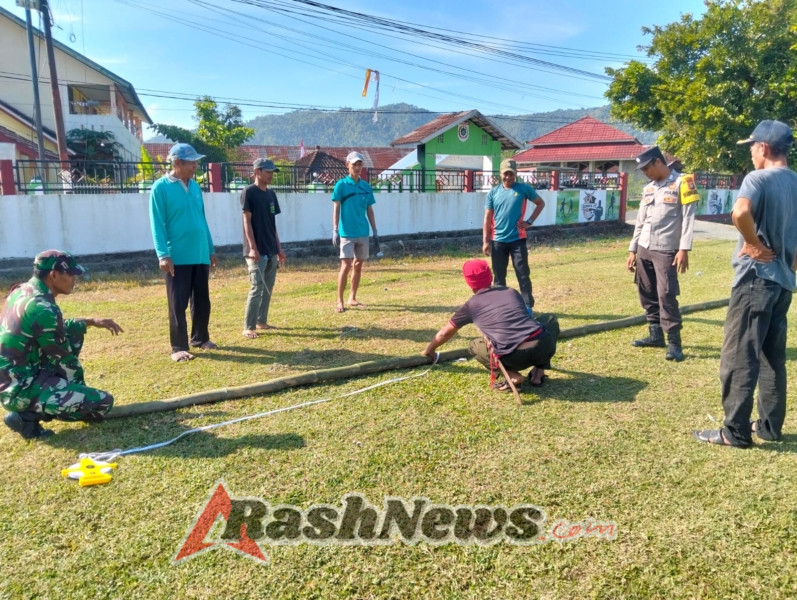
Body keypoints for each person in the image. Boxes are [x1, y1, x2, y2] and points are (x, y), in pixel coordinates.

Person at [695, 119, 797, 448]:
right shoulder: (795, 181)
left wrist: (752, 243)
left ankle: (735, 432)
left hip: (755, 280)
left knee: (739, 355)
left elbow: (740, 212)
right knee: (772, 358)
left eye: (752, 146)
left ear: (764, 148)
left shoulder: (758, 178)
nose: (751, 153)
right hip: (783, 283)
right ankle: (768, 426)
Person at [0, 251, 123, 440]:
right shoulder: (43, 307)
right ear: (54, 275)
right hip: (20, 389)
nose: (74, 279)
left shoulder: (21, 291)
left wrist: (91, 321)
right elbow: (66, 361)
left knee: (75, 331)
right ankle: (27, 416)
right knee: (102, 402)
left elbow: (54, 328)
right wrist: (80, 395)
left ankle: (40, 401)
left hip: (15, 377)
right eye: (71, 274)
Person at [422, 259, 559, 391]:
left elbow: (444, 333)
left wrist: (430, 350)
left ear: (469, 283)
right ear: (491, 277)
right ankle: (538, 374)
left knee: (474, 345)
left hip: (513, 357)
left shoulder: (471, 305)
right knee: (550, 319)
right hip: (543, 346)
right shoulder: (510, 292)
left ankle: (512, 376)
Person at [627, 145, 698, 361]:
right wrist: (632, 249)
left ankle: (674, 344)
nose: (645, 173)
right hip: (644, 246)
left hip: (667, 247)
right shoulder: (648, 188)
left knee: (666, 294)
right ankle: (655, 335)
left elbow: (688, 218)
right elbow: (640, 221)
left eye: (646, 168)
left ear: (658, 161)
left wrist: (684, 248)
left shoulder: (683, 183)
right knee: (646, 291)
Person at [149, 143, 218, 363]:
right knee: (178, 303)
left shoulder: (195, 187)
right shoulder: (161, 188)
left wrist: (210, 248)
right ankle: (178, 347)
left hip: (200, 253)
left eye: (196, 162)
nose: (196, 166)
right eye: (192, 163)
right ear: (177, 162)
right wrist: (163, 254)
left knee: (202, 301)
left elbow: (202, 219)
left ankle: (201, 338)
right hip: (177, 256)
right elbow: (157, 223)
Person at [482, 158, 545, 313]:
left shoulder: (523, 189)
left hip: (518, 240)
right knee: (499, 277)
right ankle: (501, 308)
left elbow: (540, 203)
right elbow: (487, 218)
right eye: (506, 174)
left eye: (511, 174)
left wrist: (529, 221)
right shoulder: (493, 193)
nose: (508, 177)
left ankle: (527, 307)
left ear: (516, 174)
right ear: (500, 174)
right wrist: (486, 241)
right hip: (498, 241)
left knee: (523, 274)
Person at [241, 158, 286, 339]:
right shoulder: (249, 192)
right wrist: (253, 248)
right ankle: (248, 327)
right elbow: (246, 221)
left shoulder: (271, 194)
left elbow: (272, 225)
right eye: (268, 172)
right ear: (257, 172)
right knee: (256, 287)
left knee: (268, 287)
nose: (271, 175)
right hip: (256, 251)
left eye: (272, 172)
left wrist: (279, 249)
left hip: (271, 249)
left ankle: (261, 321)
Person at [331, 151, 379, 313]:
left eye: (360, 164)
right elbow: (336, 208)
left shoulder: (366, 187)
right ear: (347, 165)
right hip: (347, 232)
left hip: (363, 232)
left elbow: (369, 210)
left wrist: (375, 229)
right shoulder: (341, 185)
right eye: (354, 165)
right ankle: (339, 301)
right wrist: (335, 229)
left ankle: (352, 297)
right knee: (346, 266)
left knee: (358, 265)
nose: (357, 168)